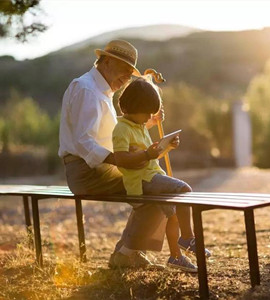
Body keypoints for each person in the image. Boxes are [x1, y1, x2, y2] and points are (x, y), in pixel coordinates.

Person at [58, 40, 169, 269]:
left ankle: (127, 252)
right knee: (156, 186)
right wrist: (116, 159)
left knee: (155, 184)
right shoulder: (87, 89)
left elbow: (111, 134)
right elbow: (84, 141)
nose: (127, 79)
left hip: (95, 168)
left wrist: (143, 121)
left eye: (131, 74)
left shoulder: (100, 90)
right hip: (86, 172)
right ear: (107, 61)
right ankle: (126, 254)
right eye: (125, 71)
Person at [112, 77, 210, 272]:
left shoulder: (139, 127)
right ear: (132, 108)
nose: (149, 117)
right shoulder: (121, 129)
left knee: (172, 215)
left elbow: (150, 157)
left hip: (151, 175)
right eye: (147, 113)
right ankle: (187, 238)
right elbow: (121, 159)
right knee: (183, 188)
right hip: (140, 181)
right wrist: (147, 153)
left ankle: (175, 256)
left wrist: (166, 148)